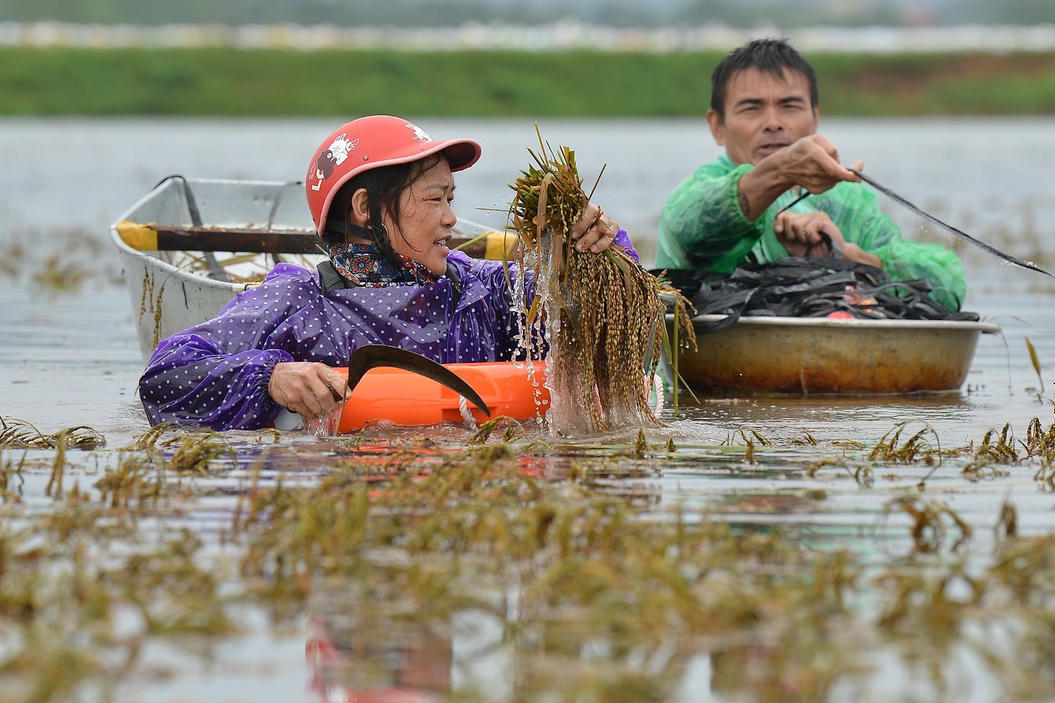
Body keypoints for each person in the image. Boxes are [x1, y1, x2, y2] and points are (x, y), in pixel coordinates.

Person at [139, 115, 634, 431]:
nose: (450, 219)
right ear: (363, 208)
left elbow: (618, 324)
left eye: (452, 199)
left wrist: (600, 253)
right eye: (434, 199)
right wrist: (269, 376)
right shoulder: (297, 301)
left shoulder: (483, 292)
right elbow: (165, 377)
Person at [656, 38, 966, 313]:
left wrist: (845, 257)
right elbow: (690, 227)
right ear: (717, 126)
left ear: (815, 118)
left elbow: (949, 284)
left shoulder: (849, 202)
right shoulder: (700, 192)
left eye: (789, 106)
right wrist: (783, 169)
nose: (773, 123)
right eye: (752, 109)